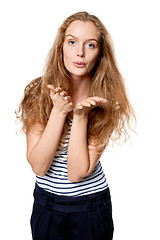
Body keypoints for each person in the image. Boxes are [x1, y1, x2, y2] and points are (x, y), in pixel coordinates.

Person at [16, 11, 135, 240]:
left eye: (90, 45)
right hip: (47, 205)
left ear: (100, 54)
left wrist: (80, 117)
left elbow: (76, 173)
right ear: (61, 46)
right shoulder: (39, 93)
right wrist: (59, 112)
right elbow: (39, 166)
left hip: (90, 208)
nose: (80, 52)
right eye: (72, 42)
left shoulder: (107, 100)